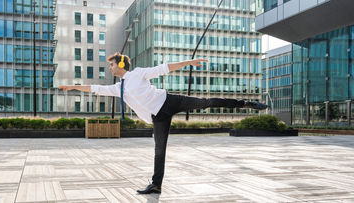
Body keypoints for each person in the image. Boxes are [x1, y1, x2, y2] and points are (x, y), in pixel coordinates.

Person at [59, 52, 267, 194]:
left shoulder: (138, 73)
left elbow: (164, 68)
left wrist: (188, 62)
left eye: (111, 64)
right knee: (159, 150)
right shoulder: (117, 88)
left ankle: (245, 103)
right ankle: (156, 185)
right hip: (158, 117)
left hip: (169, 101)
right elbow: (95, 88)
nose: (110, 67)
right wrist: (73, 87)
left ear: (121, 64)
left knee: (205, 103)